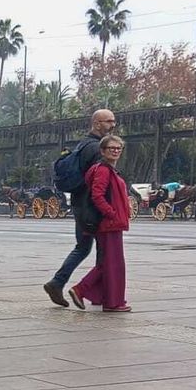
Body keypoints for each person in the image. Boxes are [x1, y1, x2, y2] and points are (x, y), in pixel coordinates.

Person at [43, 108, 117, 307]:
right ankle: (82, 289)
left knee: (83, 247)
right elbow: (100, 183)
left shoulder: (83, 145)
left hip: (81, 204)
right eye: (108, 121)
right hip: (92, 208)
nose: (112, 125)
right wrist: (108, 209)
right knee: (102, 253)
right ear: (96, 123)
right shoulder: (95, 149)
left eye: (113, 121)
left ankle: (61, 284)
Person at [68, 134, 132, 313]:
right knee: (111, 264)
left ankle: (107, 298)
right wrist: (111, 213)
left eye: (118, 148)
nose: (115, 151)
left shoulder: (107, 170)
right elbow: (97, 195)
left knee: (110, 263)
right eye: (111, 148)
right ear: (102, 151)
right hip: (108, 224)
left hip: (112, 223)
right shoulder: (103, 170)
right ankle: (82, 290)